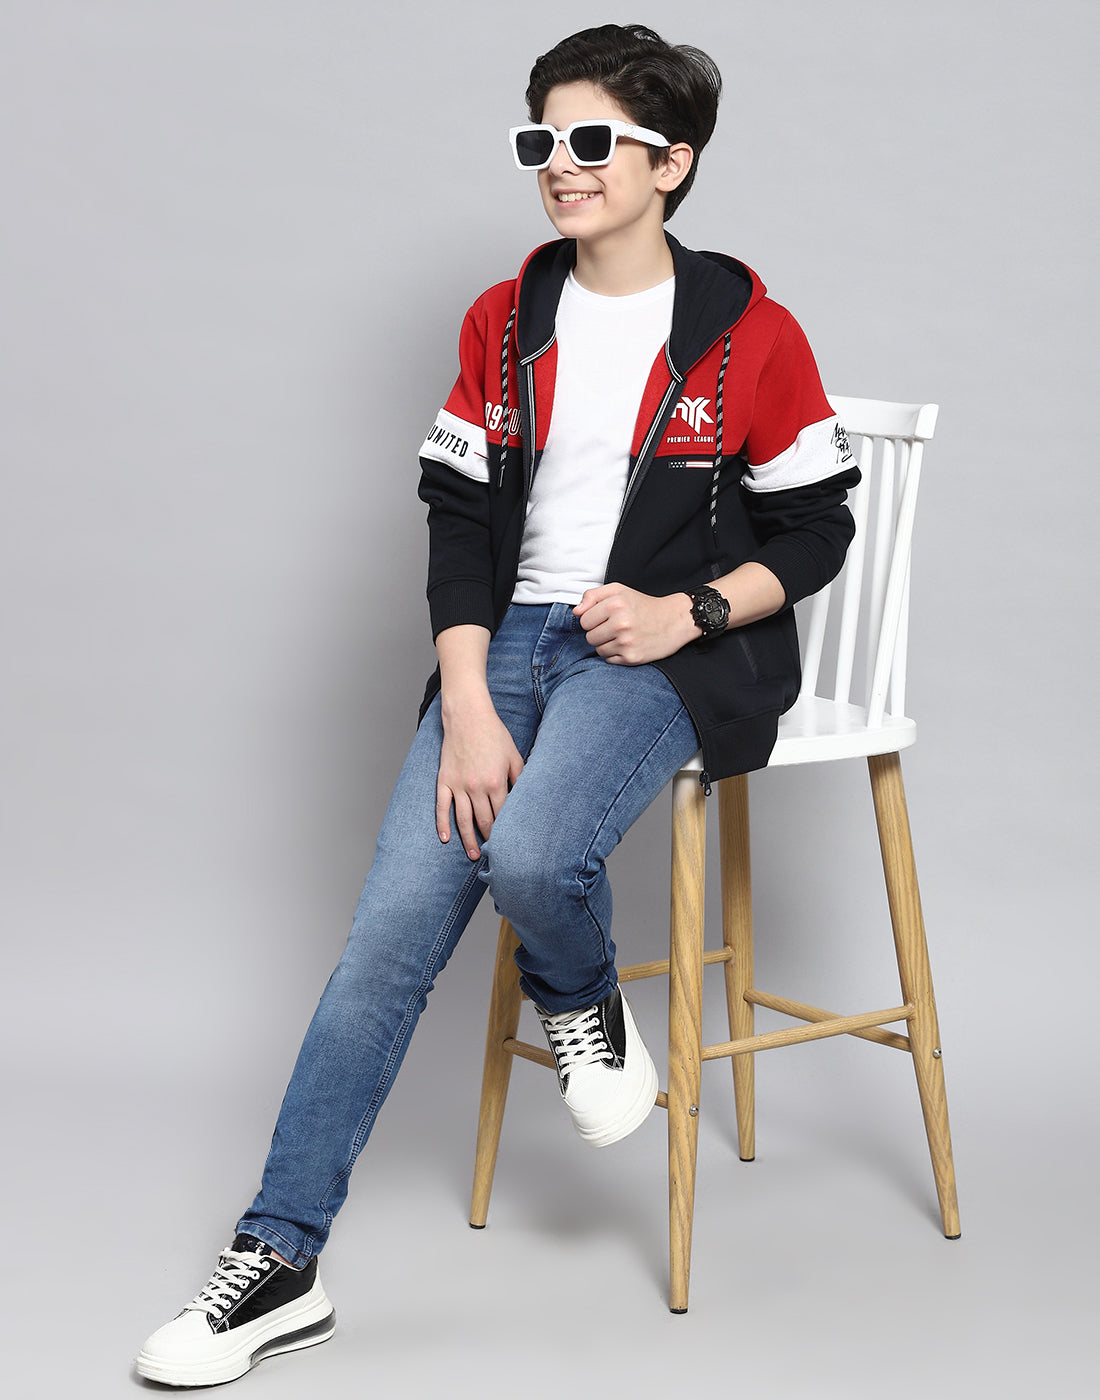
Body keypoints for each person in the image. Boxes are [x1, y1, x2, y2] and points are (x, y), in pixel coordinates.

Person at [136, 22, 860, 1387]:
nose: (560, 166)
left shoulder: (751, 332)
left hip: (660, 653)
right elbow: (460, 518)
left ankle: (578, 999)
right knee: (384, 944)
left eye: (591, 140)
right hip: (507, 644)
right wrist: (466, 697)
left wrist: (690, 613)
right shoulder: (505, 319)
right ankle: (279, 1262)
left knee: (531, 857)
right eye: (542, 140)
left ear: (672, 162)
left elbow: (818, 527)